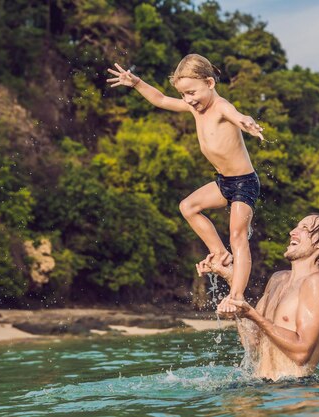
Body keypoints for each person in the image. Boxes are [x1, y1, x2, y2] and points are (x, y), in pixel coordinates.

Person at [107, 54, 264, 312]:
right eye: (184, 95)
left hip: (244, 183)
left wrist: (247, 122)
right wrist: (136, 83)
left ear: (210, 84)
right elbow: (160, 99)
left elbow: (237, 115)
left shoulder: (221, 106)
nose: (189, 99)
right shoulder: (193, 107)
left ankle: (236, 295)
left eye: (192, 92)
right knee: (188, 206)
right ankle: (219, 253)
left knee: (238, 236)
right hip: (223, 181)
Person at [196, 214, 319, 381]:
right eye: (297, 226)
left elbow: (301, 352)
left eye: (305, 228)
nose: (293, 232)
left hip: (295, 392)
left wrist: (252, 314)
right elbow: (252, 342)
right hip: (263, 386)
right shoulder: (277, 279)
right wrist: (232, 280)